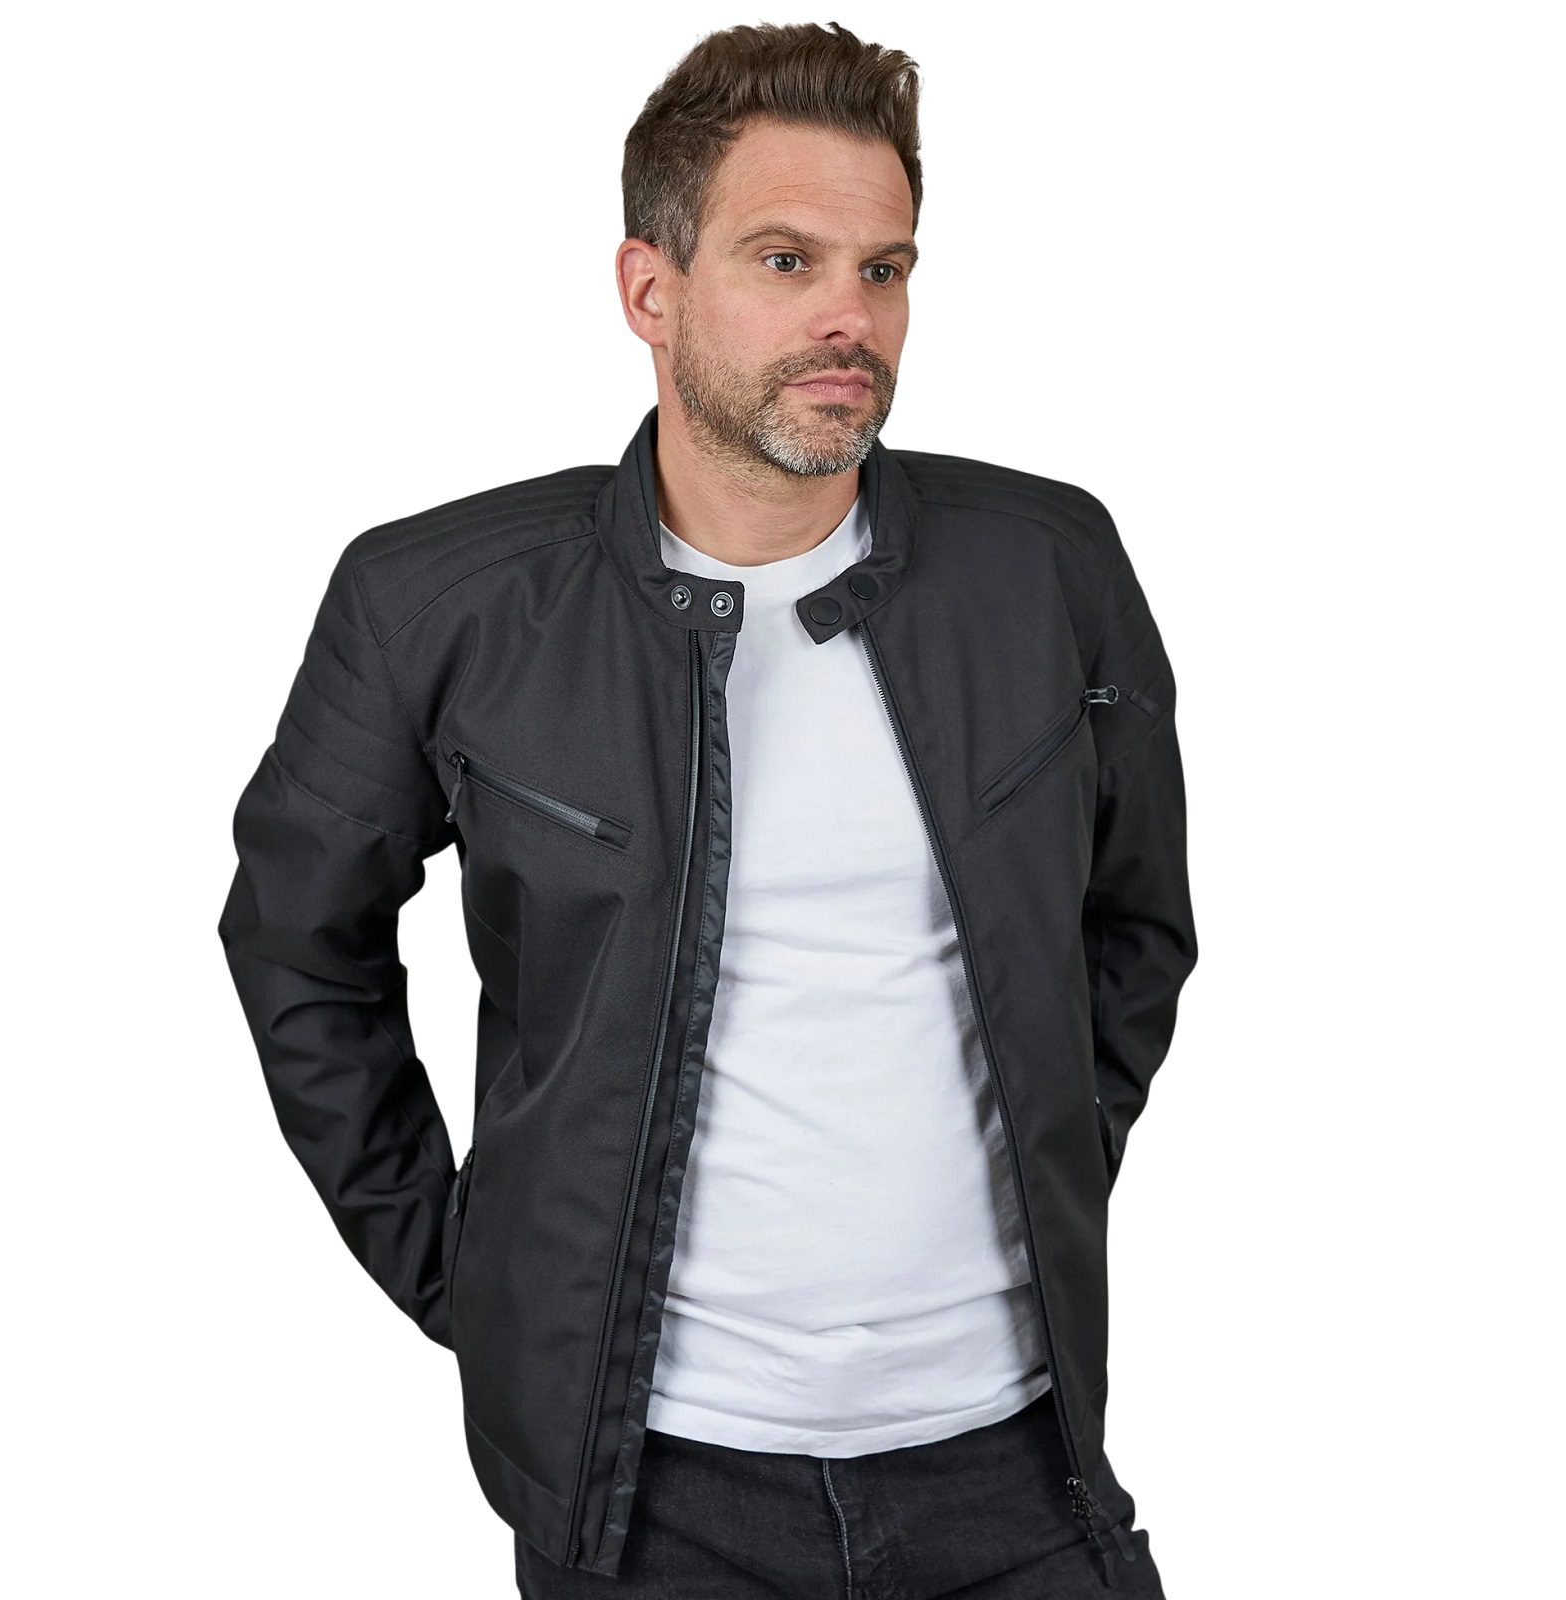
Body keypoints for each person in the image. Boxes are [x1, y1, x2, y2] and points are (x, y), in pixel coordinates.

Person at [217, 20, 1197, 1598]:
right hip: (648, 1497)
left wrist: (1052, 1155)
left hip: (1021, 1469)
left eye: (885, 269)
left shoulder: (1049, 570)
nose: (849, 317)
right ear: (649, 290)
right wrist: (480, 1275)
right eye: (787, 260)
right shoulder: (439, 606)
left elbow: (1133, 930)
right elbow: (296, 947)